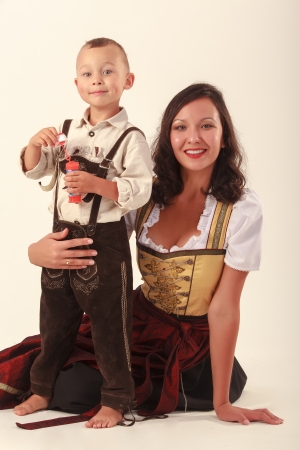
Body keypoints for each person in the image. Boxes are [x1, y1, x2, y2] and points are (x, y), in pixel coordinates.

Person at [0, 83, 283, 427]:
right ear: (168, 137)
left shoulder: (241, 209)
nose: (193, 137)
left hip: (190, 346)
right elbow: (95, 244)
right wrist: (36, 252)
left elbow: (224, 308)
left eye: (207, 125)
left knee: (77, 385)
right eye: (180, 127)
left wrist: (221, 402)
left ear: (224, 137)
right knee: (47, 359)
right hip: (136, 320)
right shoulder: (144, 194)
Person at [14, 37, 153, 428]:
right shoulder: (64, 131)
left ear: (128, 80)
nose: (98, 80)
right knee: (55, 319)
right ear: (77, 84)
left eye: (109, 71)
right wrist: (32, 146)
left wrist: (98, 186)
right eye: (88, 73)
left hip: (104, 244)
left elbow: (141, 188)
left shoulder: (131, 138)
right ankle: (41, 388)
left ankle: (116, 399)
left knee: (111, 324)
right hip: (60, 238)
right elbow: (37, 171)